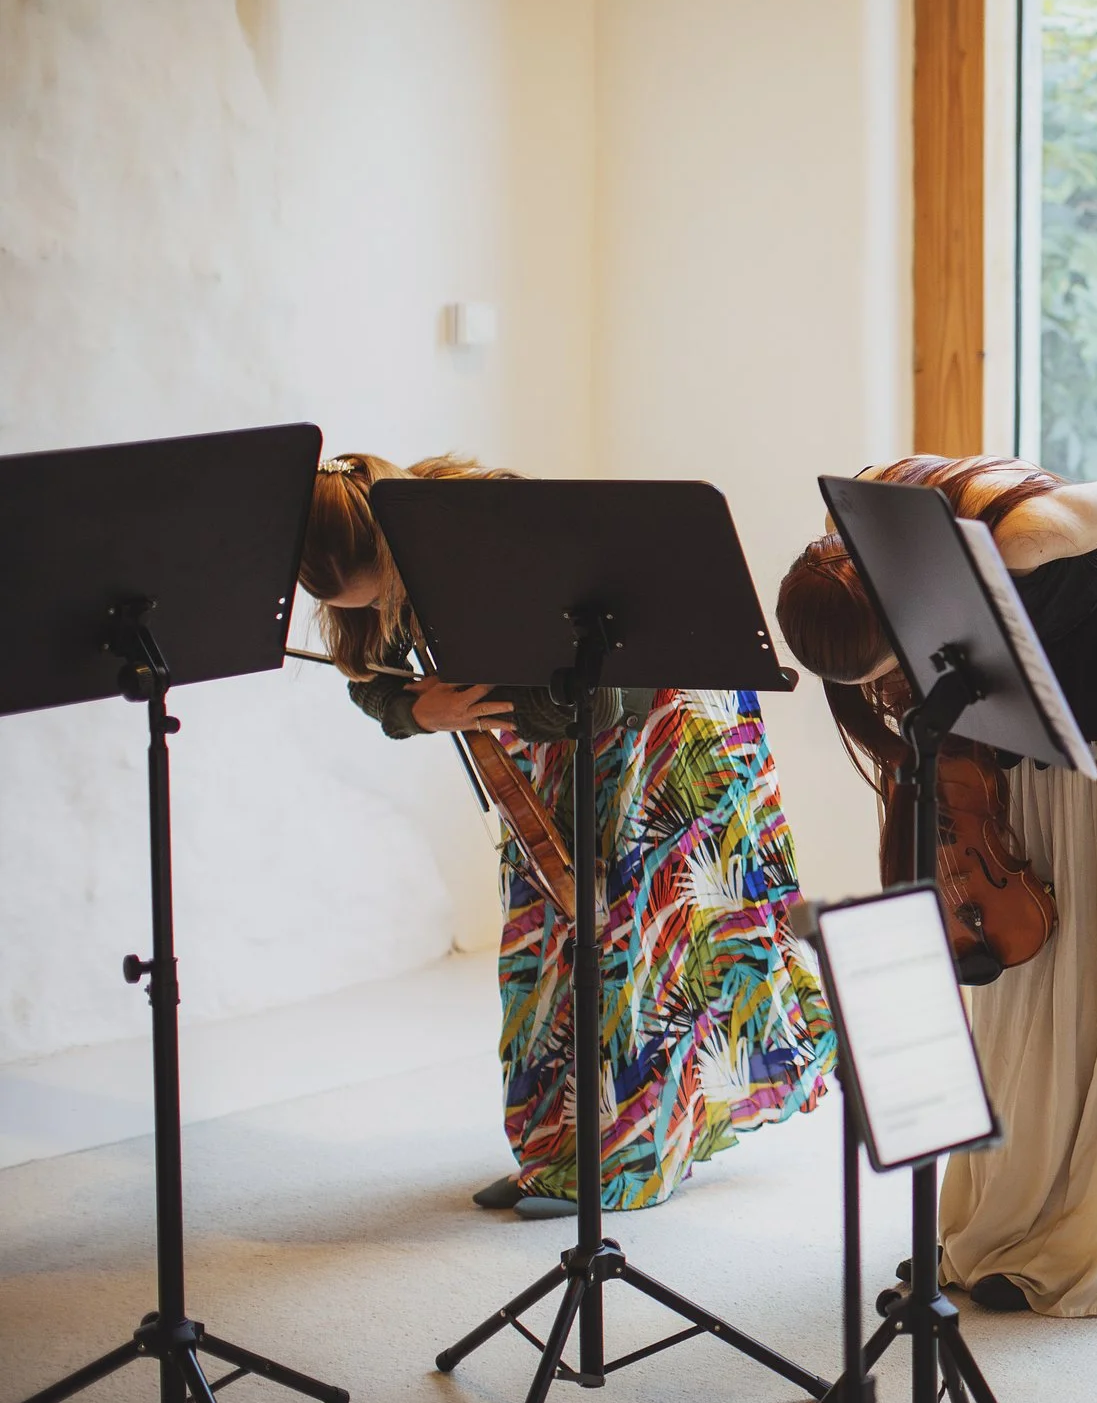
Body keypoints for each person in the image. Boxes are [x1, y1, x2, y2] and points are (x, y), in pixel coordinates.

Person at [776, 454, 1097, 1318]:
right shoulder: (859, 556)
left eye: (891, 665)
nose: (889, 689)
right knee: (1034, 965)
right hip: (1012, 704)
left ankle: (1081, 1221)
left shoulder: (1023, 537)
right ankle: (1011, 1200)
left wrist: (1022, 552)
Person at [298, 453, 837, 1215]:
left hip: (665, 716)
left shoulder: (481, 526)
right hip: (556, 743)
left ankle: (631, 1159)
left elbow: (596, 692)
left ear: (383, 546)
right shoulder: (364, 566)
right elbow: (371, 677)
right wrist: (422, 710)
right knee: (551, 945)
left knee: (645, 941)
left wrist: (470, 702)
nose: (365, 608)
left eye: (376, 591)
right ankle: (560, 1155)